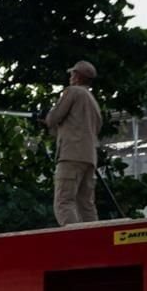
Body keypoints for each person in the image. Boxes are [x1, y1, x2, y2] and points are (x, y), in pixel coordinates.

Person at [44, 60, 102, 226]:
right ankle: (95, 239)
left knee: (64, 201)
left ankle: (75, 239)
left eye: (72, 74)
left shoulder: (73, 92)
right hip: (89, 157)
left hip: (71, 155)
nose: (70, 77)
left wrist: (47, 116)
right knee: (86, 205)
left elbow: (54, 118)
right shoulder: (93, 102)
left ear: (77, 76)